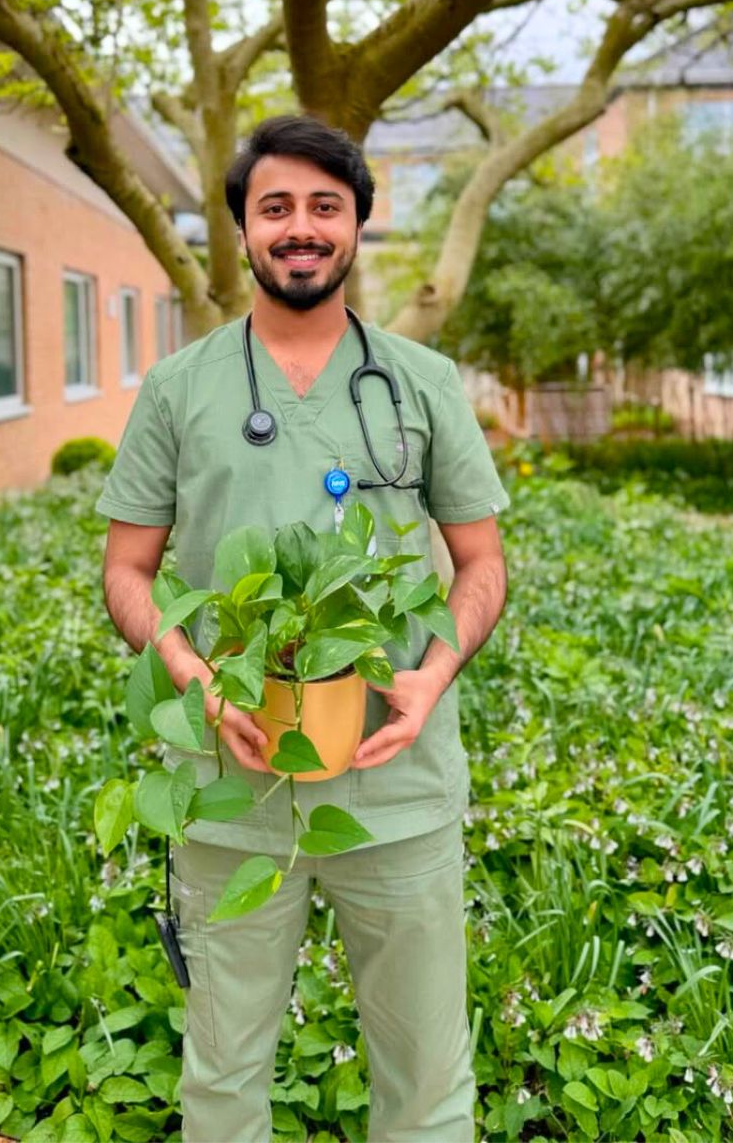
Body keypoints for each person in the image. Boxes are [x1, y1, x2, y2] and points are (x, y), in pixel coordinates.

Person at [96, 115, 510, 1143]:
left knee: (426, 1085)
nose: (301, 228)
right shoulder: (179, 390)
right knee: (223, 1080)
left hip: (398, 792)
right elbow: (127, 573)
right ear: (241, 227)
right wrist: (193, 673)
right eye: (275, 207)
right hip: (230, 794)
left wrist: (435, 673)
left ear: (359, 224)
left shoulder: (423, 384)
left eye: (325, 206)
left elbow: (483, 564)